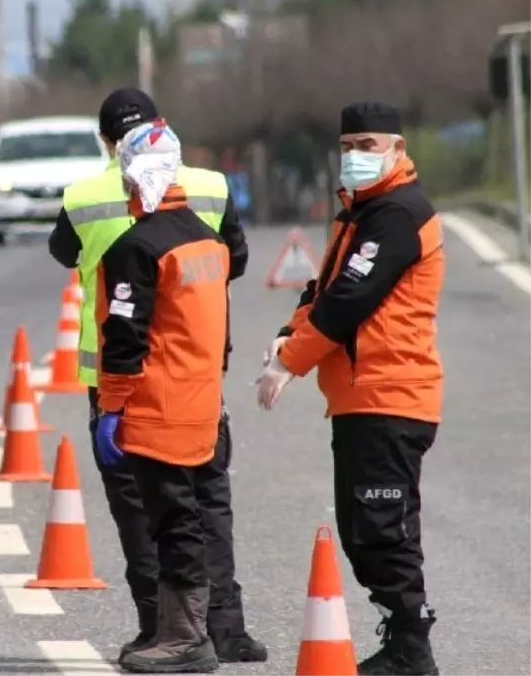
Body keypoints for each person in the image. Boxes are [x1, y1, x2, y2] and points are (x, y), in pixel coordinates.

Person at [48, 88, 267, 664]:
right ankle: (226, 627)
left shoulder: (85, 196)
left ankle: (163, 629)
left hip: (124, 379)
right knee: (208, 499)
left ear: (107, 144)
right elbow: (234, 262)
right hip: (200, 370)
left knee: (148, 507)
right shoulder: (213, 189)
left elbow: (63, 254)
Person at [256, 101, 443, 676]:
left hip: (390, 394)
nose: (356, 157)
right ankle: (403, 642)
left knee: (382, 531)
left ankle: (413, 651)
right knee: (362, 532)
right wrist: (288, 334)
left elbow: (351, 300)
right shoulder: (358, 214)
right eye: (347, 147)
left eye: (368, 145)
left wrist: (289, 363)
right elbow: (323, 290)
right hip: (361, 399)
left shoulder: (398, 213)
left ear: (398, 150)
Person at [94, 119, 229, 673]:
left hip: (157, 408)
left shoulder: (137, 247)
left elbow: (125, 335)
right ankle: (186, 630)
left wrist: (111, 408)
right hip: (201, 404)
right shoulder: (207, 238)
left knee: (171, 521)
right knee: (193, 515)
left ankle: (185, 637)